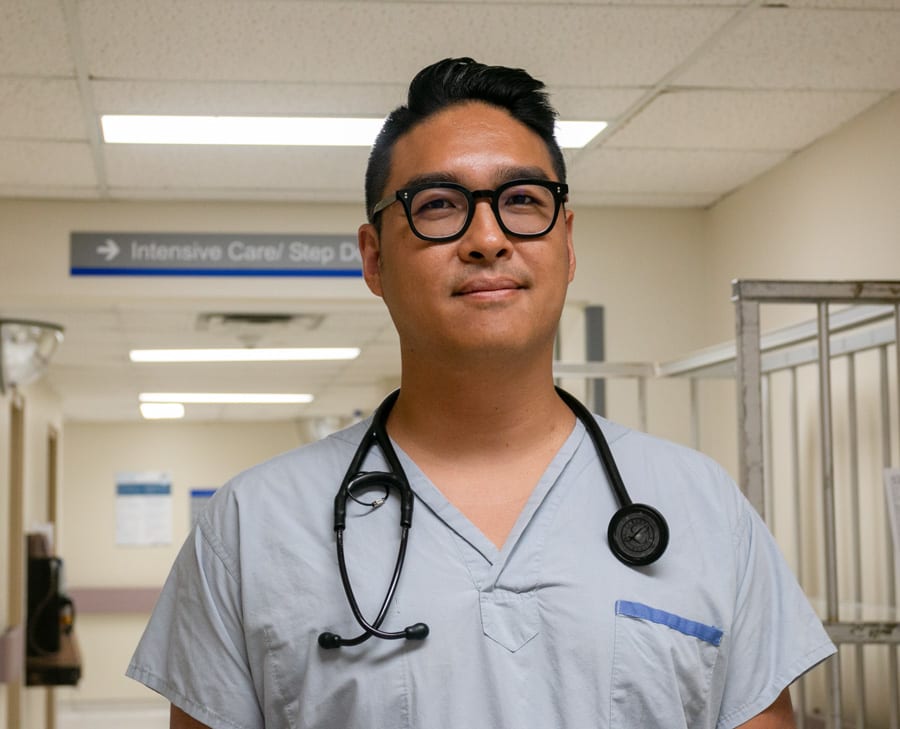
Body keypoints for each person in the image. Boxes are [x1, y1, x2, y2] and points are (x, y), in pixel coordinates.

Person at [128, 57, 835, 729]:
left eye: (523, 200)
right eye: (439, 205)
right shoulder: (252, 528)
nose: (488, 237)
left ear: (565, 237)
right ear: (374, 257)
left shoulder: (705, 509)